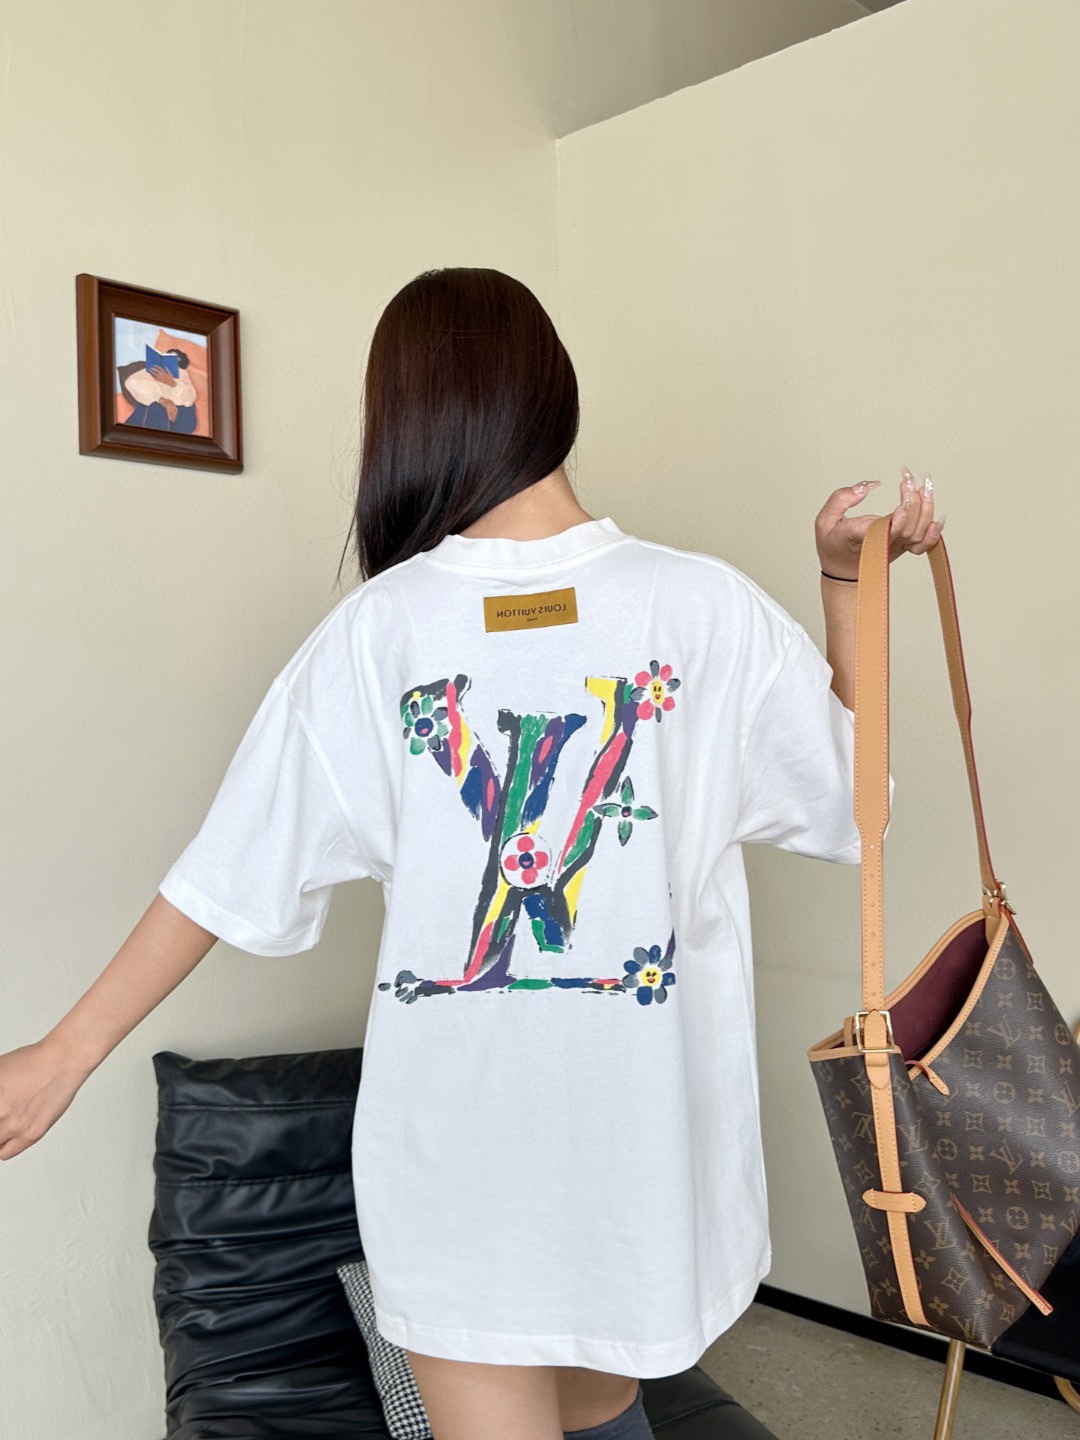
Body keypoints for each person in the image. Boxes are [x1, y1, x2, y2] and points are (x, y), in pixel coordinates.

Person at [0, 267, 942, 1440]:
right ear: (553, 394)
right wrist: (843, 580)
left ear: (401, 416)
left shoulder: (376, 634)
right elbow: (856, 805)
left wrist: (65, 1051)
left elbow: (223, 872)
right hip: (639, 1162)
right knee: (604, 1416)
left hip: (463, 1171)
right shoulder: (702, 607)